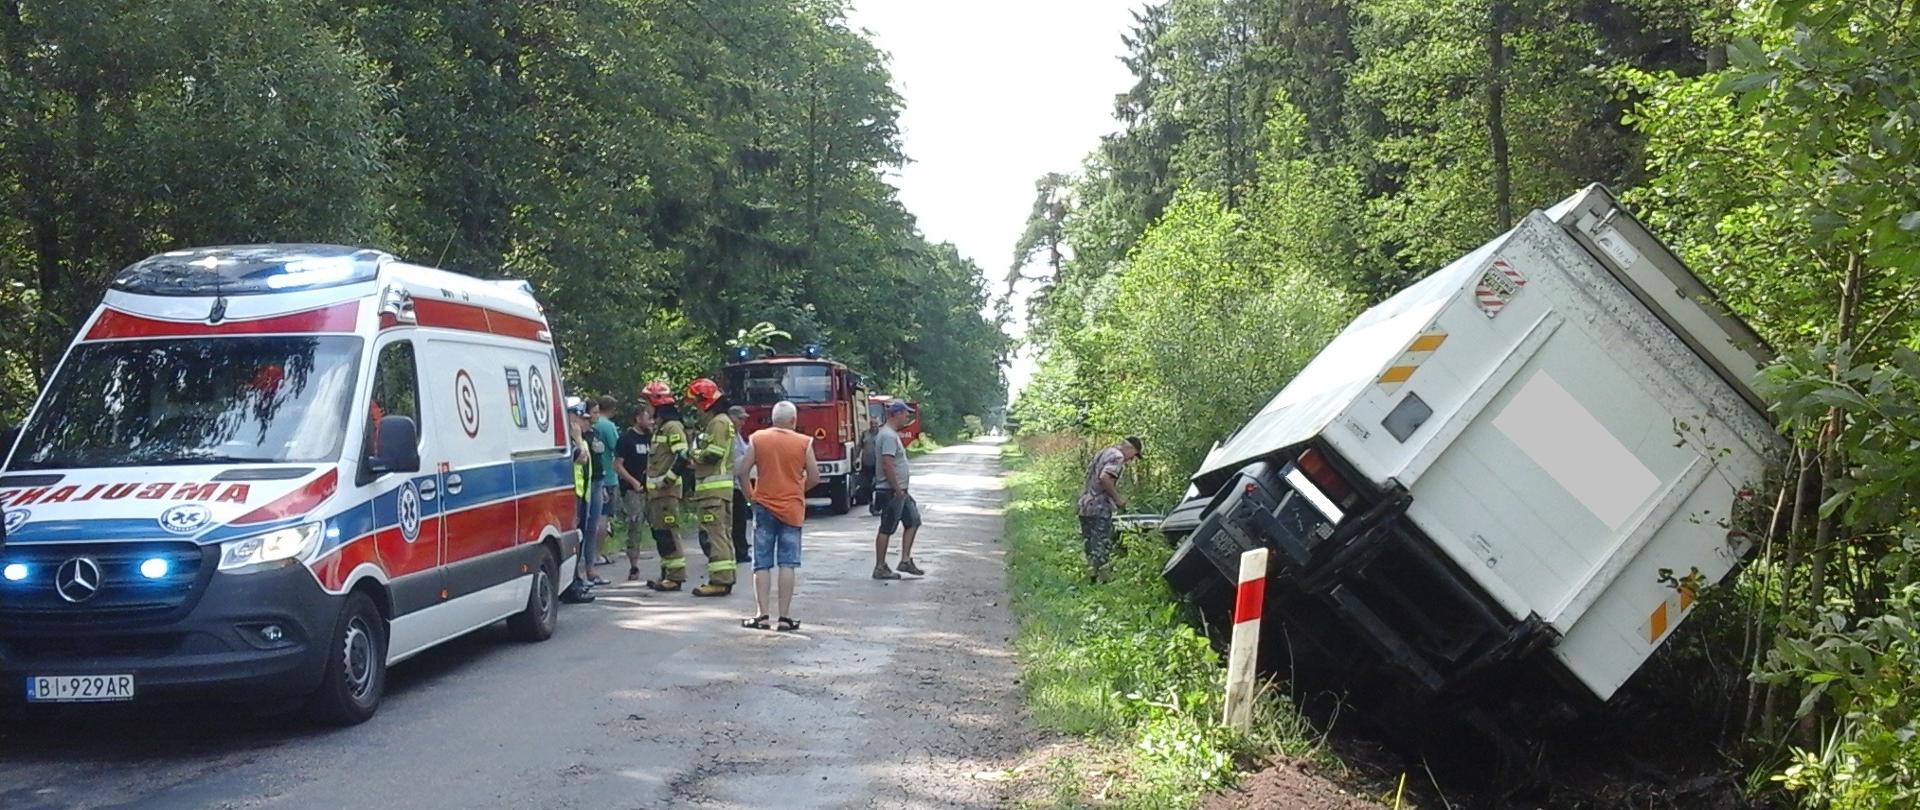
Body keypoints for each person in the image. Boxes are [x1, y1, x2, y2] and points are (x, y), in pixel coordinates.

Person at [735, 401, 820, 632]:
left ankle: (761, 616)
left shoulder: (758, 439)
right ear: (793, 420)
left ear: (773, 419)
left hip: (763, 506)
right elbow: (814, 476)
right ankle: (784, 618)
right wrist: (797, 489)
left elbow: (742, 472)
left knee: (761, 563)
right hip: (792, 509)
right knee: (787, 563)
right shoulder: (804, 442)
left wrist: (750, 496)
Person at [686, 378, 739, 597]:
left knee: (715, 534)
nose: (696, 409)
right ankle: (725, 577)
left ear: (705, 401)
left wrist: (692, 454)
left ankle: (719, 580)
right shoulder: (724, 421)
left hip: (713, 491)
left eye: (697, 403)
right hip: (720, 490)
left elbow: (713, 453)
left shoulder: (717, 423)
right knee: (722, 534)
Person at [642, 381, 692, 591]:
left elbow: (682, 455)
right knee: (661, 534)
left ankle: (675, 576)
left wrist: (667, 480)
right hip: (656, 494)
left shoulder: (673, 427)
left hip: (666, 492)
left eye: (647, 403)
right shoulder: (660, 427)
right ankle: (667, 574)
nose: (646, 408)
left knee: (669, 534)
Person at [1077, 436, 1143, 583]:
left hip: (1085, 505)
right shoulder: (1118, 457)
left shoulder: (1105, 452)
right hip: (1099, 507)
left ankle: (1091, 578)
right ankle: (1104, 581)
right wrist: (1118, 499)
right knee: (1102, 542)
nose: (1132, 460)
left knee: (1090, 543)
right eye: (1134, 455)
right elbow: (1104, 478)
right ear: (1130, 448)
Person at [871, 401, 924, 580]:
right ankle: (880, 567)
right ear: (897, 414)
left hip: (900, 491)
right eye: (905, 414)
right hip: (891, 491)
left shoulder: (891, 435)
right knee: (887, 528)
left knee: (913, 521)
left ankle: (905, 560)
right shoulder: (887, 436)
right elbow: (887, 464)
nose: (907, 417)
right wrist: (896, 489)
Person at [561, 398, 598, 604]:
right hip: (571, 495)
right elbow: (580, 458)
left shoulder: (577, 436)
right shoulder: (568, 437)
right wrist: (576, 439)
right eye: (576, 414)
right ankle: (571, 585)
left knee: (580, 539)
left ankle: (575, 580)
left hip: (581, 494)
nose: (578, 419)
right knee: (575, 540)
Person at [614, 404, 656, 581]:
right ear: (638, 418)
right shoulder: (626, 438)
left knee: (658, 524)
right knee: (635, 526)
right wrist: (633, 481)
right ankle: (634, 565)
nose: (651, 421)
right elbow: (617, 465)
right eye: (648, 417)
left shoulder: (652, 438)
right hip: (632, 490)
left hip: (652, 488)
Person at [591, 396, 622, 575]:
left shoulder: (591, 423)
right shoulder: (608, 426)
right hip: (608, 476)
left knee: (593, 516)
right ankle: (598, 554)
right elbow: (617, 448)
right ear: (612, 409)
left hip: (592, 475)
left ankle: (590, 554)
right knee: (603, 517)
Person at [728, 405, 753, 569]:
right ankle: (739, 552)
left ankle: (741, 549)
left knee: (740, 519)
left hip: (737, 483)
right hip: (730, 483)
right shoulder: (728, 435)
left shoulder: (736, 435)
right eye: (740, 418)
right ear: (732, 417)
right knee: (736, 520)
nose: (743, 422)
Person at [856, 417, 881, 513]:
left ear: (878, 425)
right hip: (867, 464)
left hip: (879, 465)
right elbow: (859, 447)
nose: (874, 426)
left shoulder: (882, 435)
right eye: (872, 424)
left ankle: (878, 506)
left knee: (878, 486)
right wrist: (855, 458)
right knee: (866, 486)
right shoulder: (865, 434)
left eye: (876, 424)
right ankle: (871, 503)